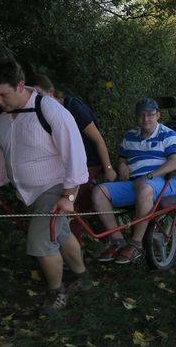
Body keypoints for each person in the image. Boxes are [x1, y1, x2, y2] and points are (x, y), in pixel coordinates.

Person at [0, 58, 90, 315]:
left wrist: (68, 196)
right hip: (27, 192)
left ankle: (56, 293)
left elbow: (75, 153)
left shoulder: (50, 109)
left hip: (55, 187)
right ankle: (83, 278)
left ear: (20, 85)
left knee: (40, 240)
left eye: (2, 95)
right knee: (60, 233)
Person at [91, 98, 176, 264]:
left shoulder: (168, 134)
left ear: (158, 115)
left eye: (150, 115)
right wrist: (122, 166)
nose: (145, 119)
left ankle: (136, 244)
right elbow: (122, 159)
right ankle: (117, 240)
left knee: (145, 189)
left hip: (164, 182)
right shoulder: (129, 136)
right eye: (141, 115)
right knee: (99, 191)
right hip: (135, 183)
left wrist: (148, 177)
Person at [30, 74, 116, 242]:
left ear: (50, 91)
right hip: (65, 164)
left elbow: (98, 139)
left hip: (89, 162)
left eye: (39, 95)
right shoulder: (36, 113)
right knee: (85, 202)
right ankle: (110, 238)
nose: (36, 100)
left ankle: (69, 245)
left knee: (69, 202)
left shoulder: (73, 107)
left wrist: (108, 169)